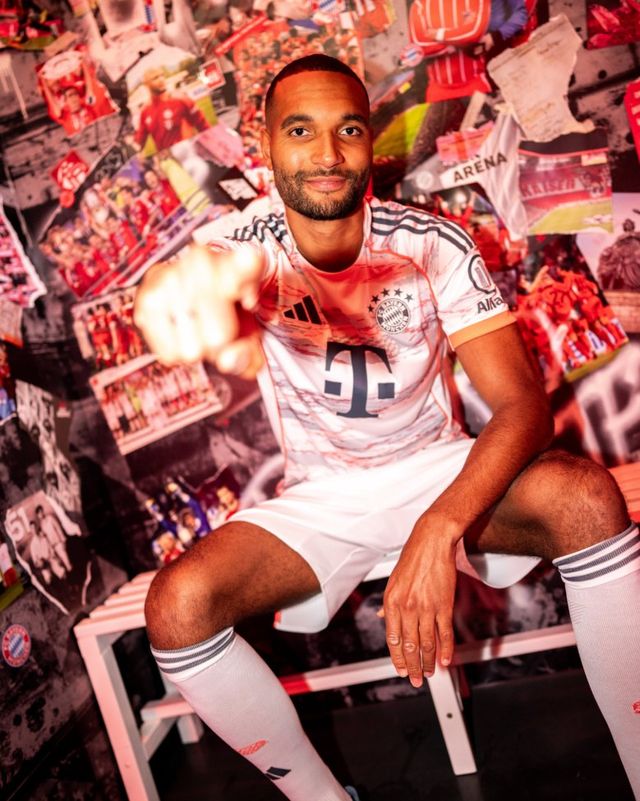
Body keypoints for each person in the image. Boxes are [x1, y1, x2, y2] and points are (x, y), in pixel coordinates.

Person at [134, 55, 639, 801]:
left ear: (370, 141)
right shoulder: (245, 244)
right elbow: (202, 273)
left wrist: (439, 527)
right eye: (300, 131)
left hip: (438, 468)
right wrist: (174, 290)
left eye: (347, 130)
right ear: (265, 144)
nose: (327, 153)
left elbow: (523, 407)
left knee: (586, 498)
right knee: (176, 606)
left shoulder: (432, 243)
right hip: (321, 496)